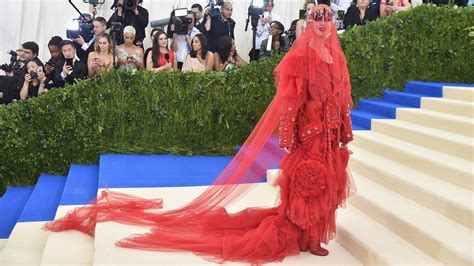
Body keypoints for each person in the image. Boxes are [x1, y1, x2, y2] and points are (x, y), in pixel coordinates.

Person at [44, 4, 355, 264]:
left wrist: (344, 131)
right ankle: (301, 234)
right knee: (304, 185)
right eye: (317, 20)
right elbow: (289, 102)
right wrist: (287, 138)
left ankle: (314, 235)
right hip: (309, 135)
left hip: (330, 138)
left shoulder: (338, 60)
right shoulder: (300, 60)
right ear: (309, 26)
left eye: (327, 20)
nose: (323, 25)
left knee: (327, 185)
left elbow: (342, 101)